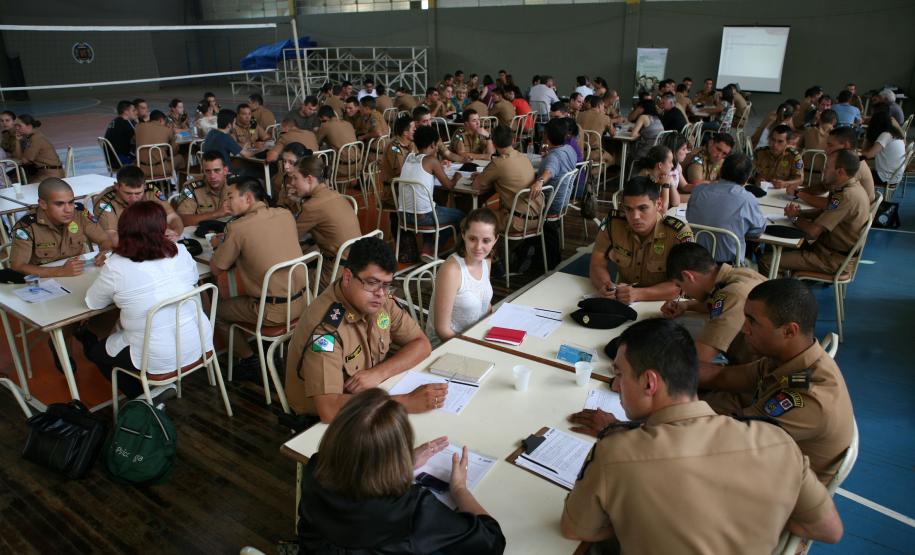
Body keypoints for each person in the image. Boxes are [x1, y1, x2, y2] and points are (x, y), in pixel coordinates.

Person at [562, 318, 843, 552]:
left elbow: (574, 528)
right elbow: (829, 530)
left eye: (620, 374)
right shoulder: (778, 442)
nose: (617, 385)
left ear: (649, 382)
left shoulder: (616, 453)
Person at [297, 388, 505, 552]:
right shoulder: (412, 508)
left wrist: (401, 464)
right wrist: (460, 489)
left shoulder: (315, 468)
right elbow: (492, 542)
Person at [701, 279, 855, 484]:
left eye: (752, 321)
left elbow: (728, 438)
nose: (744, 328)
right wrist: (665, 372)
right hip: (764, 459)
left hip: (780, 492)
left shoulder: (810, 398)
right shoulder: (786, 360)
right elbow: (721, 377)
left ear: (789, 331)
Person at [284, 237, 440, 421]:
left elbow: (422, 345)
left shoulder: (380, 302)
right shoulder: (325, 332)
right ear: (348, 277)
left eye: (386, 284)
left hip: (370, 397)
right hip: (322, 422)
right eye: (372, 283)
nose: (381, 294)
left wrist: (378, 373)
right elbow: (329, 409)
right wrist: (405, 402)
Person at [82, 201, 211, 401]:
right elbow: (193, 279)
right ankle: (152, 393)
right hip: (199, 341)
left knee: (96, 352)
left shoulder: (116, 265)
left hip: (159, 356)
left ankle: (145, 397)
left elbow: (93, 303)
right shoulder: (180, 251)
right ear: (161, 229)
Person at [210, 178, 305, 373]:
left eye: (230, 197)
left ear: (247, 198)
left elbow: (216, 268)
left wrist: (220, 245)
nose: (226, 203)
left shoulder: (238, 228)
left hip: (275, 311)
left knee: (217, 313)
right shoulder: (285, 214)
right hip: (305, 300)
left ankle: (249, 360)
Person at [759, 150, 870, 277]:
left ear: (840, 172)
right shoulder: (848, 187)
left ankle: (780, 295)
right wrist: (800, 213)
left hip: (831, 259)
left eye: (827, 166)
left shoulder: (846, 197)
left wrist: (793, 217)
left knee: (767, 261)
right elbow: (825, 211)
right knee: (774, 245)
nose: (823, 169)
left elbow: (812, 232)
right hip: (827, 250)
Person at [590, 176, 693, 303]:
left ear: (659, 204)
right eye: (628, 209)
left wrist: (639, 294)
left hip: (663, 304)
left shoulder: (678, 233)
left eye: (643, 208)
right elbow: (597, 263)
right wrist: (604, 284)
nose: (635, 217)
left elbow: (682, 285)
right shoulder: (613, 224)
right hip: (622, 301)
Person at [662, 242, 765, 364]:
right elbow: (716, 304)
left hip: (757, 373)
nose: (682, 292)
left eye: (680, 285)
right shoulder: (738, 275)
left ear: (689, 276)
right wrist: (686, 305)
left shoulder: (733, 293)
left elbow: (700, 358)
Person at [285, 155, 362, 288]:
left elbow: (289, 237)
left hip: (337, 273)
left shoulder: (312, 206)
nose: (292, 183)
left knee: (288, 280)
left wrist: (290, 203)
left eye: (295, 178)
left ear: (309, 179)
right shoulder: (333, 194)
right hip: (358, 264)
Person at [10, 177, 111, 277]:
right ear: (43, 204)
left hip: (79, 274)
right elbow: (17, 266)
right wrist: (60, 271)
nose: (68, 210)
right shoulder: (27, 226)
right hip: (45, 281)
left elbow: (104, 240)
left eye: (71, 202)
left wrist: (105, 253)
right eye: (59, 204)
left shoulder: (79, 213)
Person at [428, 208, 497, 343]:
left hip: (476, 334)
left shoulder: (486, 260)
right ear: (463, 234)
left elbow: (484, 302)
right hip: (447, 343)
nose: (478, 247)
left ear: (495, 240)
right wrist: (476, 344)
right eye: (472, 239)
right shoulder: (452, 270)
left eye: (486, 240)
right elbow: (442, 330)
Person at [686, 152, 766, 263]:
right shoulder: (747, 199)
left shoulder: (698, 191)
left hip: (694, 261)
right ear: (747, 178)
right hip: (727, 268)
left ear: (721, 170)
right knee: (757, 263)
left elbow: (689, 216)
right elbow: (758, 231)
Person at [397, 125, 463, 259]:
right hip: (423, 217)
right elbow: (449, 185)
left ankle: (428, 248)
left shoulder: (408, 158)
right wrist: (457, 176)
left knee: (433, 205)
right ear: (433, 144)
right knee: (462, 216)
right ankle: (432, 248)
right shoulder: (432, 161)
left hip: (404, 216)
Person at [90, 165, 183, 243]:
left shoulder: (150, 191)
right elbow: (111, 237)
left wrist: (175, 233)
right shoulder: (105, 202)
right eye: (128, 193)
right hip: (121, 252)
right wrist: (153, 237)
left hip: (152, 245)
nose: (134, 198)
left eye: (138, 193)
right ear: (117, 186)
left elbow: (172, 217)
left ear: (145, 186)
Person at [472, 125, 538, 233]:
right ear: (513, 140)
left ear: (493, 143)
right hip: (538, 218)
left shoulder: (498, 163)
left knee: (470, 220)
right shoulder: (524, 157)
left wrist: (480, 176)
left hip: (517, 222)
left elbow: (475, 186)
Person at [531, 117, 578, 270]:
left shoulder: (554, 157)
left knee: (515, 203)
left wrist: (539, 181)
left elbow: (549, 171)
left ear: (546, 135)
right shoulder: (568, 149)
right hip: (564, 199)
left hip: (551, 204)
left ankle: (525, 251)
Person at [788, 126, 875, 205]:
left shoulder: (854, 166)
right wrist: (798, 191)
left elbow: (830, 204)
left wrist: (799, 194)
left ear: (846, 146)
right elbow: (823, 187)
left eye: (830, 145)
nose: (826, 150)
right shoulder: (847, 160)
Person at [175, 151, 232, 226]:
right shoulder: (190, 188)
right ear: (203, 171)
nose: (212, 176)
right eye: (208, 171)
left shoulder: (235, 185)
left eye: (217, 170)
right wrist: (216, 214)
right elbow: (182, 219)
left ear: (225, 171)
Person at [861, 109, 906, 188]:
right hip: (895, 177)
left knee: (854, 172)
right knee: (864, 168)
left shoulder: (885, 135)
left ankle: (865, 198)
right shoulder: (896, 134)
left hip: (885, 178)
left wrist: (855, 152)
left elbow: (869, 155)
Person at [11, 115, 64, 180]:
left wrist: (17, 142)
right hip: (47, 172)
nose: (16, 128)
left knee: (18, 182)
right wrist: (17, 140)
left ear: (29, 126)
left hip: (51, 175)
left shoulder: (35, 139)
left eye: (19, 125)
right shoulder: (32, 137)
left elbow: (24, 161)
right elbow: (20, 158)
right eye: (15, 125)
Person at [134, 110, 183, 179]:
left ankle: (163, 184)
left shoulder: (138, 127)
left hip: (140, 169)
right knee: (181, 158)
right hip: (162, 169)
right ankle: (180, 186)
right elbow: (173, 152)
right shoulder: (167, 130)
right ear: (161, 120)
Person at [753, 125, 803, 189]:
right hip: (760, 190)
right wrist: (756, 179)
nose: (775, 145)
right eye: (773, 140)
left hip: (780, 193)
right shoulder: (760, 153)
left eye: (780, 141)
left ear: (788, 142)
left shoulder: (794, 157)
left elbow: (800, 180)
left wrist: (785, 184)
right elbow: (747, 174)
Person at [633, 145, 679, 212]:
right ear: (660, 165)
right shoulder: (644, 179)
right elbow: (662, 210)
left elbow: (676, 202)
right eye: (670, 162)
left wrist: (670, 181)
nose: (672, 165)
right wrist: (665, 186)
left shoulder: (658, 176)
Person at [380, 115, 416, 191]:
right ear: (405, 133)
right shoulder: (394, 148)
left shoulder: (410, 143)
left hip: (405, 186)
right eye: (413, 129)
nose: (416, 130)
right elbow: (402, 172)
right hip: (395, 192)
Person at [272, 141, 311, 208]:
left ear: (301, 162)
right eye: (284, 161)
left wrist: (298, 200)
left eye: (291, 162)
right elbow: (281, 202)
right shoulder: (286, 177)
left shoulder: (310, 181)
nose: (286, 167)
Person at [105, 101, 136, 165]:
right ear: (126, 111)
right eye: (133, 110)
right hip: (119, 160)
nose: (135, 113)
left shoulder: (115, 121)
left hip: (111, 159)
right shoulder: (125, 125)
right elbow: (138, 139)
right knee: (145, 160)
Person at [661, 132, 690, 201]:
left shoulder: (677, 166)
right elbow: (672, 200)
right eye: (683, 149)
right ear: (673, 151)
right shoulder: (664, 170)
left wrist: (700, 186)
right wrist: (697, 197)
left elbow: (684, 186)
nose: (687, 152)